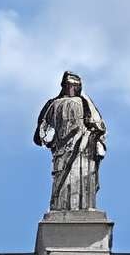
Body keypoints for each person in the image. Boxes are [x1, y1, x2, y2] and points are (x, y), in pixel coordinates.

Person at [34, 71, 108, 214]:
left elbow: (98, 125)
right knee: (62, 180)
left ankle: (84, 206)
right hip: (62, 150)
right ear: (63, 86)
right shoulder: (54, 104)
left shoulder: (85, 103)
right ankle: (60, 207)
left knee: (82, 177)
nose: (71, 88)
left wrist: (92, 136)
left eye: (74, 85)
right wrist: (48, 139)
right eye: (68, 85)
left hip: (83, 148)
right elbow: (42, 132)